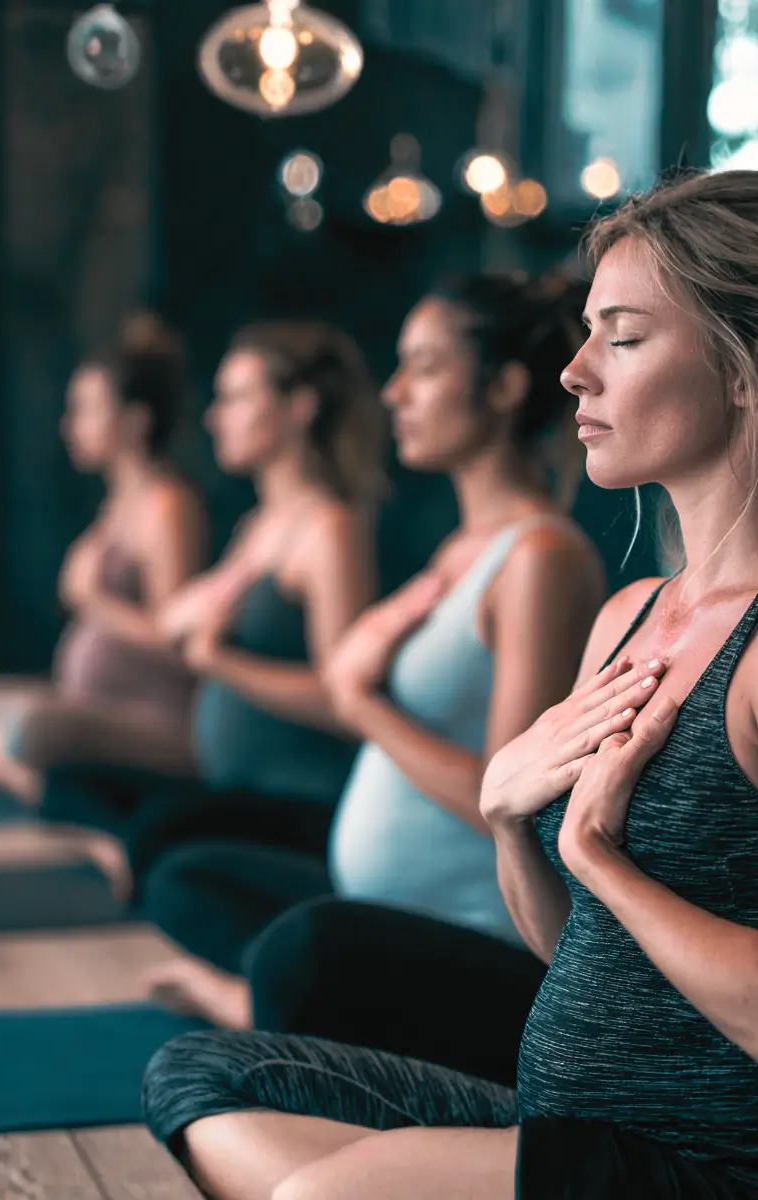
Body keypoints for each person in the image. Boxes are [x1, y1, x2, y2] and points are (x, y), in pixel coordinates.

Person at [140, 167, 758, 1199]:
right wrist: (507, 820)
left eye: (618, 335)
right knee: (200, 1077)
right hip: (568, 1127)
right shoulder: (630, 614)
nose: (572, 372)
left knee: (314, 1194)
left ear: (755, 369)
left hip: (726, 1171)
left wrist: (593, 855)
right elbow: (573, 948)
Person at [133, 273, 607, 1029]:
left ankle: (255, 999)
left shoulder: (540, 558)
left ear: (506, 388)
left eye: (423, 368)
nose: (393, 395)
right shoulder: (460, 549)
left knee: (305, 951)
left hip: (480, 937)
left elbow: (511, 802)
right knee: (186, 875)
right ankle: (281, 995)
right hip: (378, 900)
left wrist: (361, 702)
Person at [39, 321, 384, 895]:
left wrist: (219, 660)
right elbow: (177, 620)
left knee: (161, 847)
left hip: (299, 797)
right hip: (231, 782)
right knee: (68, 784)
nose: (213, 416)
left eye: (235, 398)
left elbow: (340, 698)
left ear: (299, 406)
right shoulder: (257, 526)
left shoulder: (330, 529)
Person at [0, 315, 208, 800]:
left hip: (154, 720)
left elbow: (176, 640)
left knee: (33, 729)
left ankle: (51, 789)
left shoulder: (167, 507)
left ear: (135, 420)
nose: (71, 427)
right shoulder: (114, 505)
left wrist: (94, 601)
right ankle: (51, 784)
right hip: (91, 703)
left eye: (87, 410)